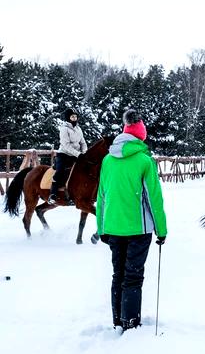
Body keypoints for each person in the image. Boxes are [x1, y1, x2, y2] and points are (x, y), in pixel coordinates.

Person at [96, 109, 167, 333]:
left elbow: (102, 195)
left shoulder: (108, 160)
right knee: (133, 276)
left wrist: (101, 228)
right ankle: (130, 322)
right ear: (140, 136)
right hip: (138, 229)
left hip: (114, 228)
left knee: (118, 275)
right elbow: (154, 198)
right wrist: (161, 229)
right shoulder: (144, 161)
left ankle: (118, 320)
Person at [48, 108, 87, 204]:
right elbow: (66, 145)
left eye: (75, 116)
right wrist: (78, 154)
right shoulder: (64, 129)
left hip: (76, 155)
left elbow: (83, 142)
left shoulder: (78, 128)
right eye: (72, 116)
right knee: (60, 171)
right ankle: (53, 194)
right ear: (68, 118)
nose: (74, 118)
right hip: (64, 154)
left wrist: (84, 152)